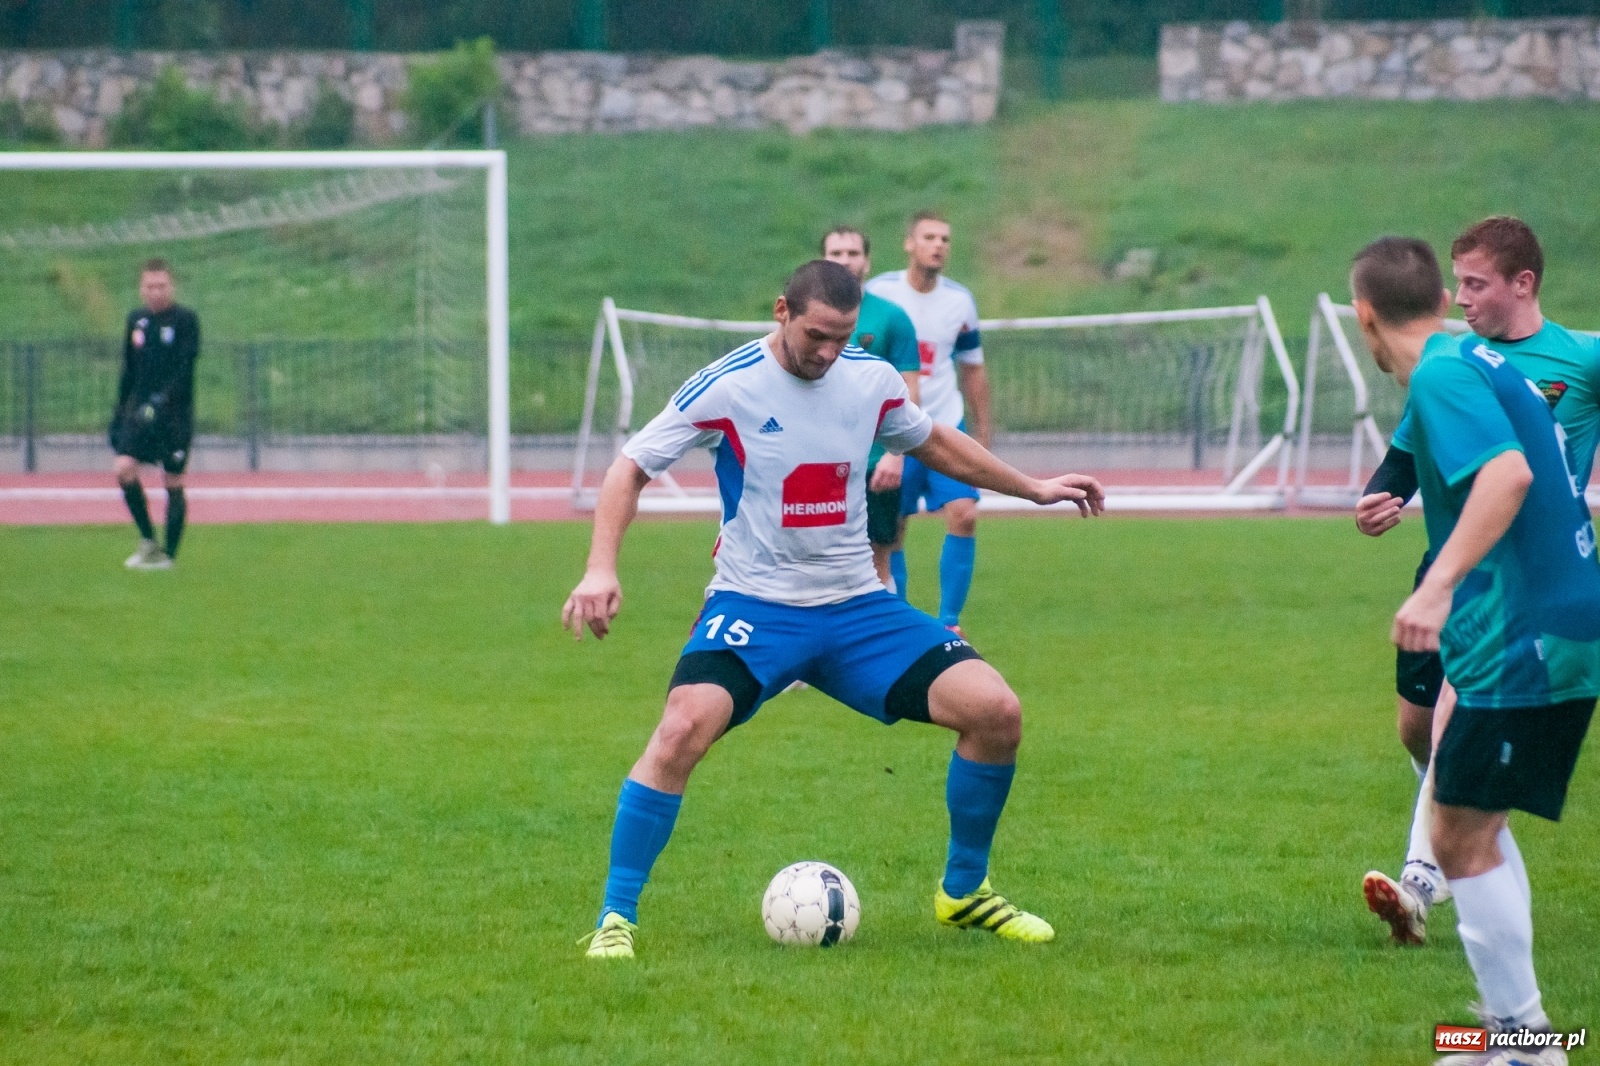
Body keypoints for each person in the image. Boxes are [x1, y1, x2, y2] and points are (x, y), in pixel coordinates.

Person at [563, 260, 1104, 960]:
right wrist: (601, 565)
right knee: (679, 730)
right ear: (782, 310)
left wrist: (1031, 487)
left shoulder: (868, 378)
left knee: (997, 713)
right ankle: (615, 919)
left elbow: (933, 440)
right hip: (756, 606)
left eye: (842, 337)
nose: (827, 352)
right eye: (817, 335)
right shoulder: (730, 384)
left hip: (856, 610)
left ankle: (964, 893)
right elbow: (630, 466)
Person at [1351, 235, 1597, 1066]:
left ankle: (1528, 1044)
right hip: (1549, 623)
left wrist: (1434, 584)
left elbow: (1508, 477)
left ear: (1363, 314)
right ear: (1445, 301)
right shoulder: (1472, 359)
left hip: (1523, 632)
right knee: (1471, 830)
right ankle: (1511, 1036)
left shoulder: (1445, 372)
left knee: (1460, 834)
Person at [865, 211, 991, 631]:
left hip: (946, 425)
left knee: (964, 513)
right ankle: (901, 622)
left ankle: (950, 622)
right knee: (892, 531)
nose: (938, 245)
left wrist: (982, 433)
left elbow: (973, 368)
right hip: (895, 430)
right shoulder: (880, 293)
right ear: (909, 243)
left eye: (945, 239)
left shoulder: (960, 301)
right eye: (929, 237)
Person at [820, 225, 922, 589]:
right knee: (817, 557)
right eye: (836, 253)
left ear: (867, 261)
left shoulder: (891, 318)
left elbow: (909, 391)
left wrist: (897, 453)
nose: (845, 261)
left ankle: (883, 637)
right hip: (818, 458)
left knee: (877, 556)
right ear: (823, 260)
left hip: (875, 460)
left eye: (853, 253)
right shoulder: (807, 316)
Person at [109, 259, 200, 570]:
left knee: (173, 480)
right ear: (141, 288)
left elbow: (185, 369)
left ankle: (169, 557)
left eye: (161, 285)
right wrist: (120, 412)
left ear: (171, 286)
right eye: (150, 286)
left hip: (175, 417)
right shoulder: (137, 321)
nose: (156, 292)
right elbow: (128, 370)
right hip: (140, 414)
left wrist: (160, 402)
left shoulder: (186, 320)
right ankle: (148, 540)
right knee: (123, 468)